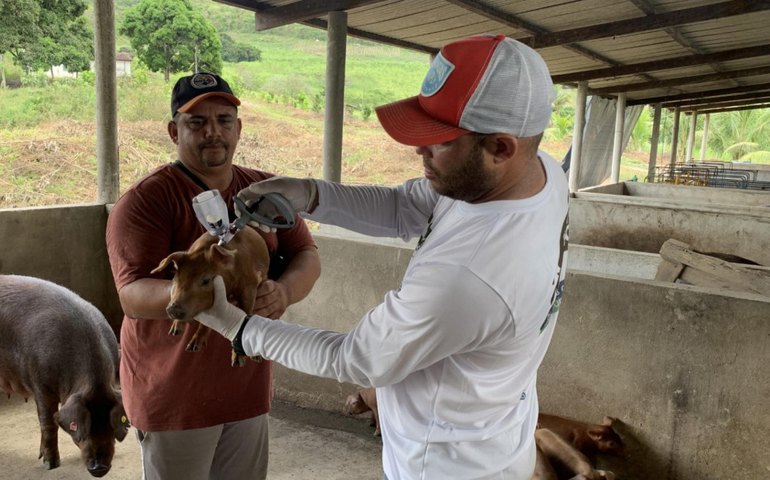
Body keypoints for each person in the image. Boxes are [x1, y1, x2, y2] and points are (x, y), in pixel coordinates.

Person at [197, 35, 569, 479]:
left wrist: (239, 328)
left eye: (439, 141)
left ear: (501, 148)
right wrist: (311, 194)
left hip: (448, 466)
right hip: (494, 431)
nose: (418, 151)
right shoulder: (539, 173)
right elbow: (408, 205)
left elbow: (354, 358)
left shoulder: (467, 278)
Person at [105, 72, 321, 480]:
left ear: (239, 128)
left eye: (224, 120)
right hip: (174, 398)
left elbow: (306, 253)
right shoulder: (146, 201)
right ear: (174, 131)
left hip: (246, 390)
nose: (213, 133)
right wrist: (209, 301)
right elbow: (132, 293)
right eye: (196, 123)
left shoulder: (261, 190)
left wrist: (284, 292)